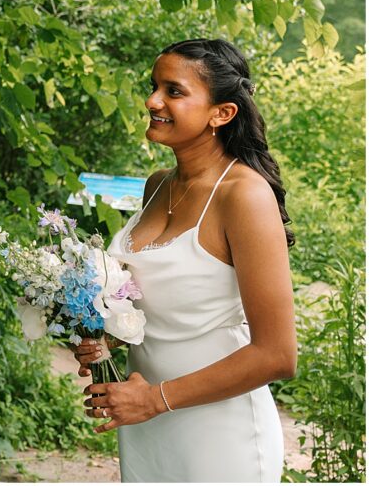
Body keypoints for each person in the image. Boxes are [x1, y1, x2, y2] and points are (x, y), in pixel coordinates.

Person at [73, 38, 296, 482]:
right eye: (154, 86)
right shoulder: (157, 185)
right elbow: (159, 307)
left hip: (220, 434)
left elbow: (277, 355)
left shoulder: (244, 196)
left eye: (173, 91)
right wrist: (106, 340)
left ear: (222, 113)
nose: (152, 100)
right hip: (148, 428)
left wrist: (156, 398)